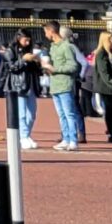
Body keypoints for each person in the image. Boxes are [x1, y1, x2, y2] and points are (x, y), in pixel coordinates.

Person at [42, 22, 83, 151]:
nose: (45, 34)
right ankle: (66, 139)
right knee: (61, 115)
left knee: (69, 114)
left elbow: (73, 66)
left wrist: (55, 69)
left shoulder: (67, 46)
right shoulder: (53, 47)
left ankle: (73, 140)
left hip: (65, 84)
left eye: (46, 31)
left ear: (51, 31)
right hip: (55, 85)